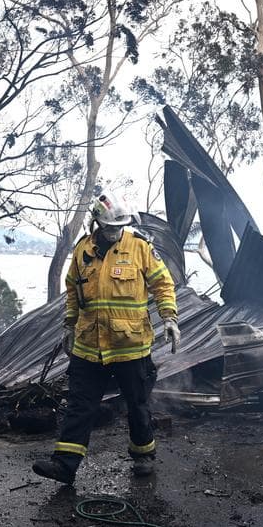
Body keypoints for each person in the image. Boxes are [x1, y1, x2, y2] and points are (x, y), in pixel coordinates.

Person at [32, 193, 182, 485]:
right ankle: (64, 465)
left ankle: (143, 455)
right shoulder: (82, 252)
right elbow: (73, 294)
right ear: (96, 223)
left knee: (137, 404)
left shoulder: (140, 247)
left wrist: (170, 318)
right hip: (89, 347)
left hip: (131, 346)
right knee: (80, 404)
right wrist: (68, 326)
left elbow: (163, 284)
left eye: (120, 226)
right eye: (110, 226)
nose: (115, 231)